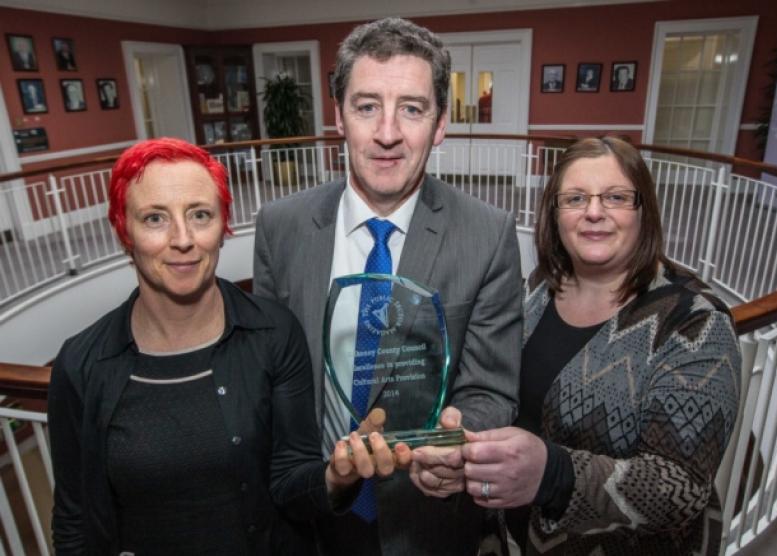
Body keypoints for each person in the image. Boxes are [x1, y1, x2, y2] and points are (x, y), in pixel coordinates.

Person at [48, 138, 402, 555]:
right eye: (155, 218)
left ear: (223, 226)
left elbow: (290, 480)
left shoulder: (273, 333)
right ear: (124, 230)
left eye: (200, 215)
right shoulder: (82, 364)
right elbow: (75, 522)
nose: (183, 239)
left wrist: (336, 478)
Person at [253, 16, 522, 556]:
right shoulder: (279, 227)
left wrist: (452, 442)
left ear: (440, 123)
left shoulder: (487, 234)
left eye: (413, 109)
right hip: (312, 513)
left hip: (423, 516)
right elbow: (271, 375)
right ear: (339, 117)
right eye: (367, 105)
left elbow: (490, 388)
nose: (387, 133)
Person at [456, 137, 741, 555]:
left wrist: (555, 474)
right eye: (575, 198)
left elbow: (682, 488)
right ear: (554, 214)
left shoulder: (694, 322)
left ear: (643, 210)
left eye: (616, 197)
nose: (593, 212)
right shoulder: (539, 288)